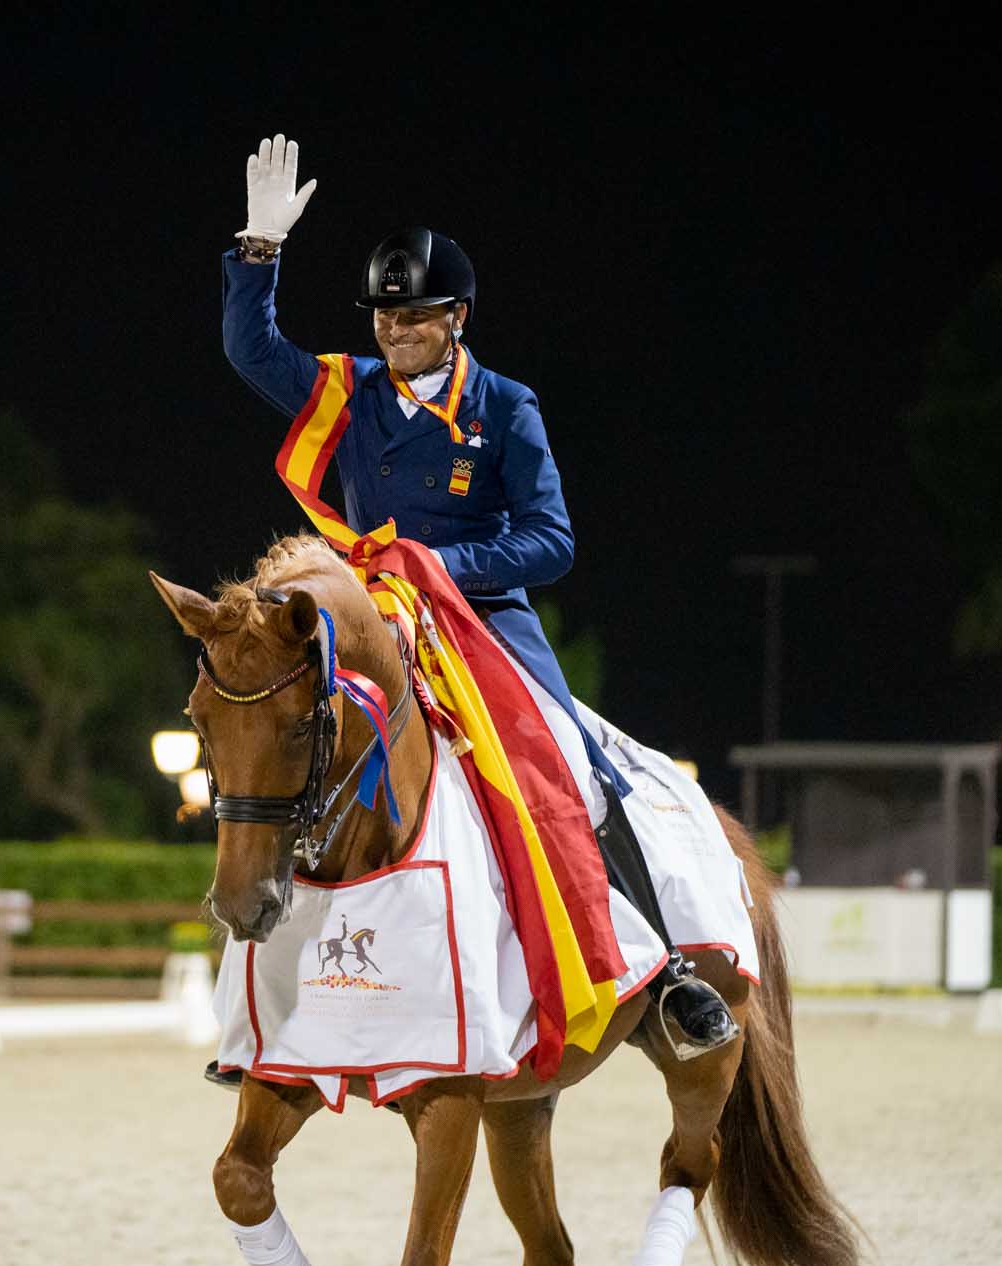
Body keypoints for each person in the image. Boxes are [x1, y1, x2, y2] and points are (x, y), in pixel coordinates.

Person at [216, 134, 735, 1061]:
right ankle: (251, 1019)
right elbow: (252, 352)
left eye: (413, 319)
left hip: (484, 622)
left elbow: (553, 540)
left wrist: (439, 566)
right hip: (375, 623)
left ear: (456, 317)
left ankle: (666, 976)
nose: (394, 332)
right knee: (281, 751)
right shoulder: (352, 392)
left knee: (572, 765)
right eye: (383, 317)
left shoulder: (506, 405)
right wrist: (260, 251)